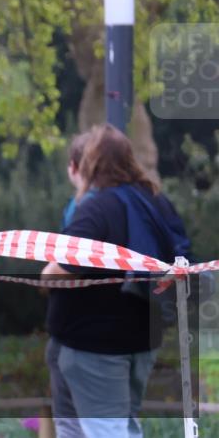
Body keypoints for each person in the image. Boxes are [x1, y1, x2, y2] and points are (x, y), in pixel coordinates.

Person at [43, 123, 193, 438]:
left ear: (89, 163)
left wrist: (45, 274)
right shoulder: (155, 200)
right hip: (142, 336)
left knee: (108, 431)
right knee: (120, 424)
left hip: (94, 344)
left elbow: (64, 269)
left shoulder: (97, 208)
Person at [44, 132, 90, 438]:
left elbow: (62, 267)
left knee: (72, 424)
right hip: (114, 333)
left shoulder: (83, 208)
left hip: (75, 331)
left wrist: (48, 274)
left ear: (73, 167)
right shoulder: (128, 202)